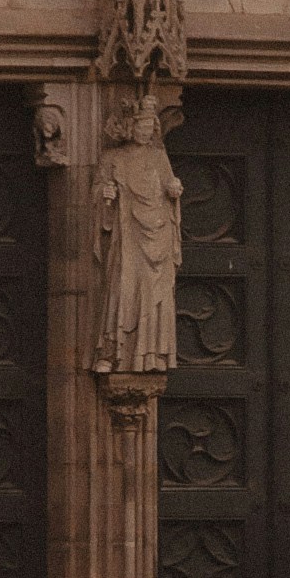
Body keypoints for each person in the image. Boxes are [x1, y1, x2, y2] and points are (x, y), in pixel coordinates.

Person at [91, 92, 182, 374]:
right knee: (123, 285)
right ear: (130, 128)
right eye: (141, 127)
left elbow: (169, 187)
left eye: (150, 127)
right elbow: (97, 191)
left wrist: (174, 191)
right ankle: (114, 351)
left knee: (155, 291)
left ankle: (152, 353)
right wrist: (104, 196)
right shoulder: (113, 157)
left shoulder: (159, 156)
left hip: (158, 234)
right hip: (127, 233)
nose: (146, 131)